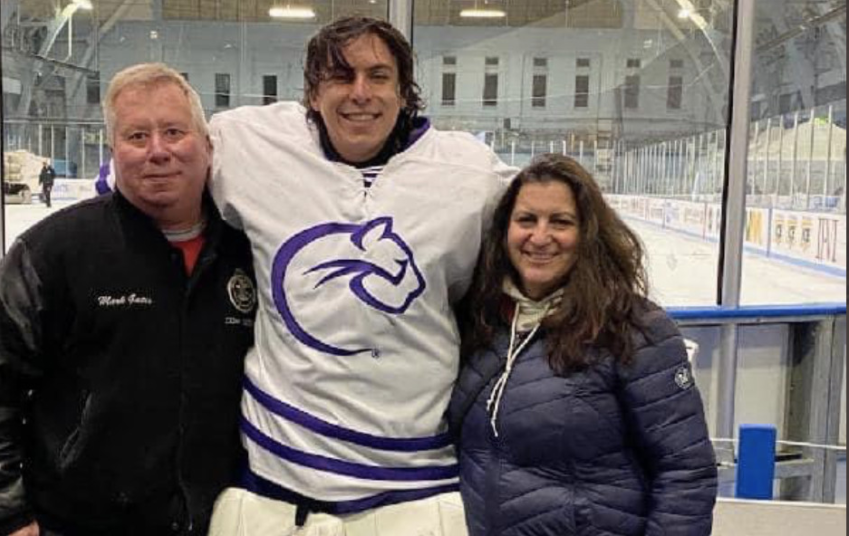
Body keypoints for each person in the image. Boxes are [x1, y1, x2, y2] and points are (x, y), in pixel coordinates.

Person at [207, 16, 512, 535]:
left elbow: (552, 239)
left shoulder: (470, 172)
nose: (360, 93)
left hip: (416, 486)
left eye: (378, 76)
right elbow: (148, 174)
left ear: (404, 91)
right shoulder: (247, 144)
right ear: (312, 92)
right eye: (340, 76)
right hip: (276, 482)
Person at [0, 63, 256, 536]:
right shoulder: (56, 251)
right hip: (77, 521)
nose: (158, 151)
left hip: (218, 521)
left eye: (174, 132)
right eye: (137, 136)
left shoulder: (249, 251)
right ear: (114, 151)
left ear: (207, 144)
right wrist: (7, 513)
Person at [448, 154, 717, 536]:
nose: (540, 237)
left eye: (560, 222)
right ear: (504, 231)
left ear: (588, 232)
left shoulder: (635, 329)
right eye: (527, 220)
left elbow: (685, 472)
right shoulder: (482, 323)